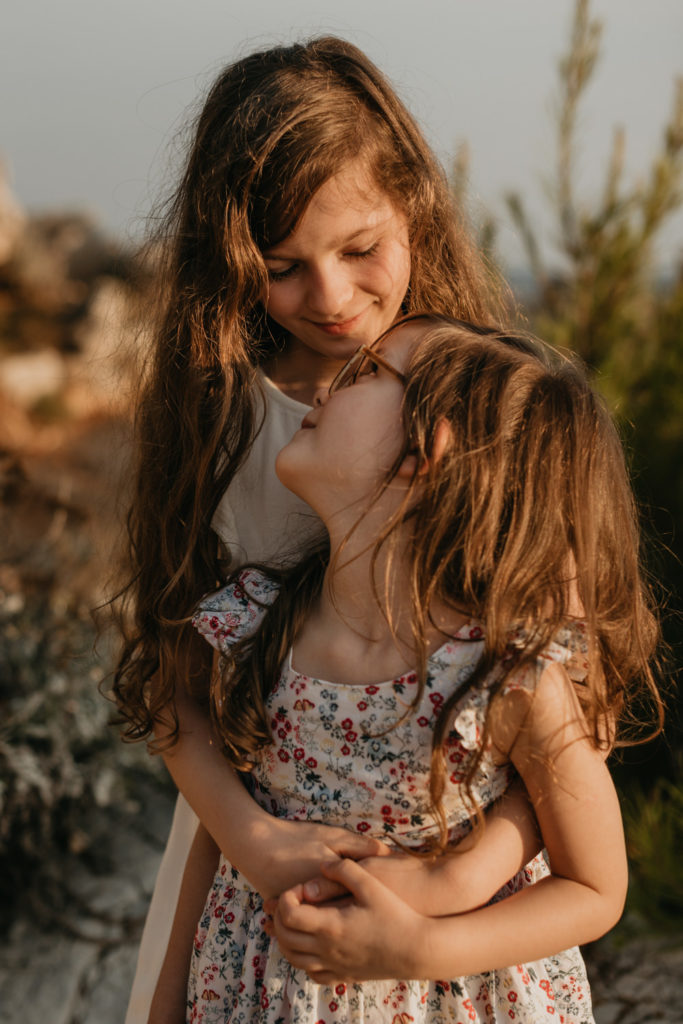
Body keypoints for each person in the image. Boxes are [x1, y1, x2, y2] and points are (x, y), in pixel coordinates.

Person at [113, 36, 521, 1024]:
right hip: (251, 860)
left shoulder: (484, 407)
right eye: (283, 267)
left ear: (413, 209)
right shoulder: (223, 419)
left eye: (359, 249)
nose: (331, 299)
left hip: (460, 885)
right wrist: (252, 842)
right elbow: (173, 678)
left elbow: (554, 707)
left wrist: (452, 888)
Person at [177, 315, 661, 1023]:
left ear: (426, 446)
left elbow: (594, 887)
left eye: (367, 373)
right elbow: (175, 721)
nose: (329, 387)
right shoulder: (255, 622)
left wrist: (420, 950)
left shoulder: (508, 674)